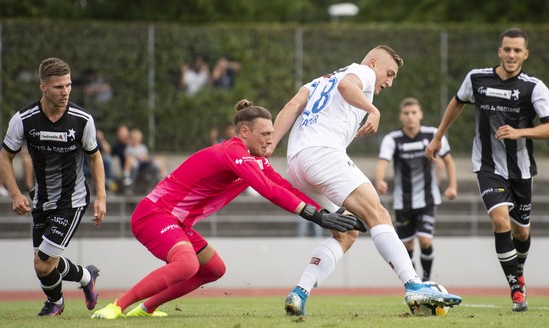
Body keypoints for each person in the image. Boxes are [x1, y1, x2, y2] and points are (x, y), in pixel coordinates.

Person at [91, 99, 364, 319]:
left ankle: (146, 308)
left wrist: (329, 213)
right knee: (187, 264)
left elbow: (281, 184)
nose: (271, 140)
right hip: (153, 214)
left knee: (213, 269)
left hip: (177, 222)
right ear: (245, 132)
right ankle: (117, 306)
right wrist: (316, 216)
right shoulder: (233, 153)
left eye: (272, 134)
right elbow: (268, 189)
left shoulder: (254, 158)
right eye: (266, 134)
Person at [270, 45, 462, 316]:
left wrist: (269, 147)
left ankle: (299, 292)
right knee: (378, 214)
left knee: (346, 232)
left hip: (297, 165)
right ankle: (414, 285)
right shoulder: (362, 72)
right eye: (390, 73)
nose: (389, 82)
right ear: (374, 62)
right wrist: (373, 110)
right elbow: (348, 86)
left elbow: (293, 106)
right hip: (324, 154)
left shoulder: (319, 80)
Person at [425, 27, 549, 312]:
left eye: (517, 50)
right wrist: (438, 137)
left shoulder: (534, 87)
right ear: (499, 51)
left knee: (521, 233)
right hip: (487, 166)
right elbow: (458, 102)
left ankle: (517, 271)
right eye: (506, 49)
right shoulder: (477, 78)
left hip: (521, 170)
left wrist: (520, 133)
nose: (511, 55)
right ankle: (516, 289)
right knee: (500, 222)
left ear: (526, 54)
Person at [0, 57, 107, 317]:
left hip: (72, 201)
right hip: (41, 199)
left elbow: (94, 156)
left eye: (69, 85)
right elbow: (5, 157)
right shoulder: (24, 119)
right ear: (43, 87)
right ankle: (85, 277)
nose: (66, 91)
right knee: (43, 266)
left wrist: (101, 196)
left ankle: (55, 304)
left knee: (43, 260)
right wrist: (15, 194)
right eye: (59, 87)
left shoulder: (82, 120)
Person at [374, 97, 457, 282]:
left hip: (428, 199)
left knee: (425, 240)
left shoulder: (433, 135)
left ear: (420, 114)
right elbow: (382, 163)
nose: (410, 117)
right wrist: (380, 180)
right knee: (407, 246)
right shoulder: (392, 139)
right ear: (401, 117)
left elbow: (449, 161)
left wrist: (452, 186)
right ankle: (414, 281)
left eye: (413, 113)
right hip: (403, 202)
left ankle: (427, 279)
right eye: (406, 113)